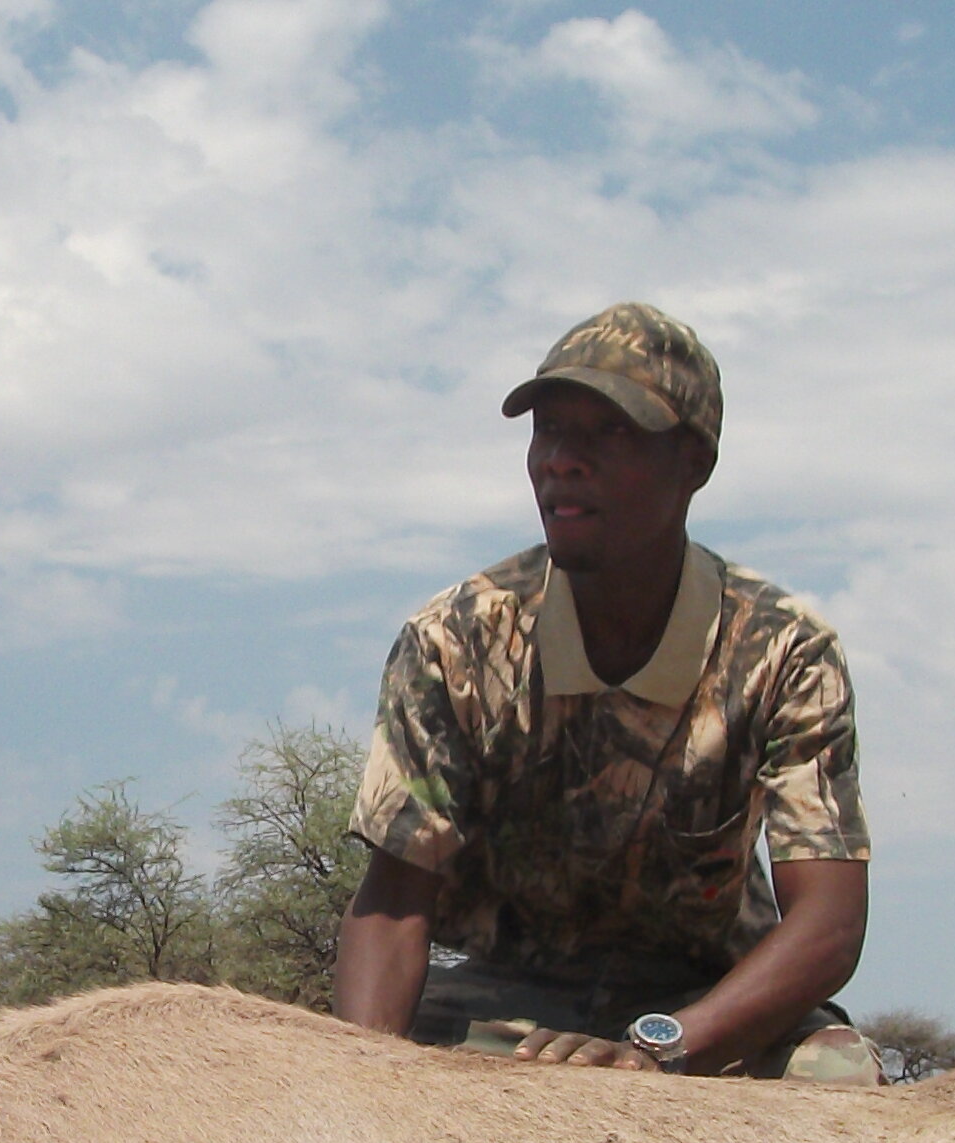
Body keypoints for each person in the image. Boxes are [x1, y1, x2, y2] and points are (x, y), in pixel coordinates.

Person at [333, 301, 874, 1079]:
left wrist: (663, 1047)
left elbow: (828, 924)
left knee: (839, 1076)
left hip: (710, 1000)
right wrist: (372, 1088)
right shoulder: (453, 641)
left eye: (609, 433)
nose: (561, 459)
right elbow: (391, 902)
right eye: (548, 430)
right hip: (503, 1004)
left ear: (694, 463)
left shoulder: (786, 651)